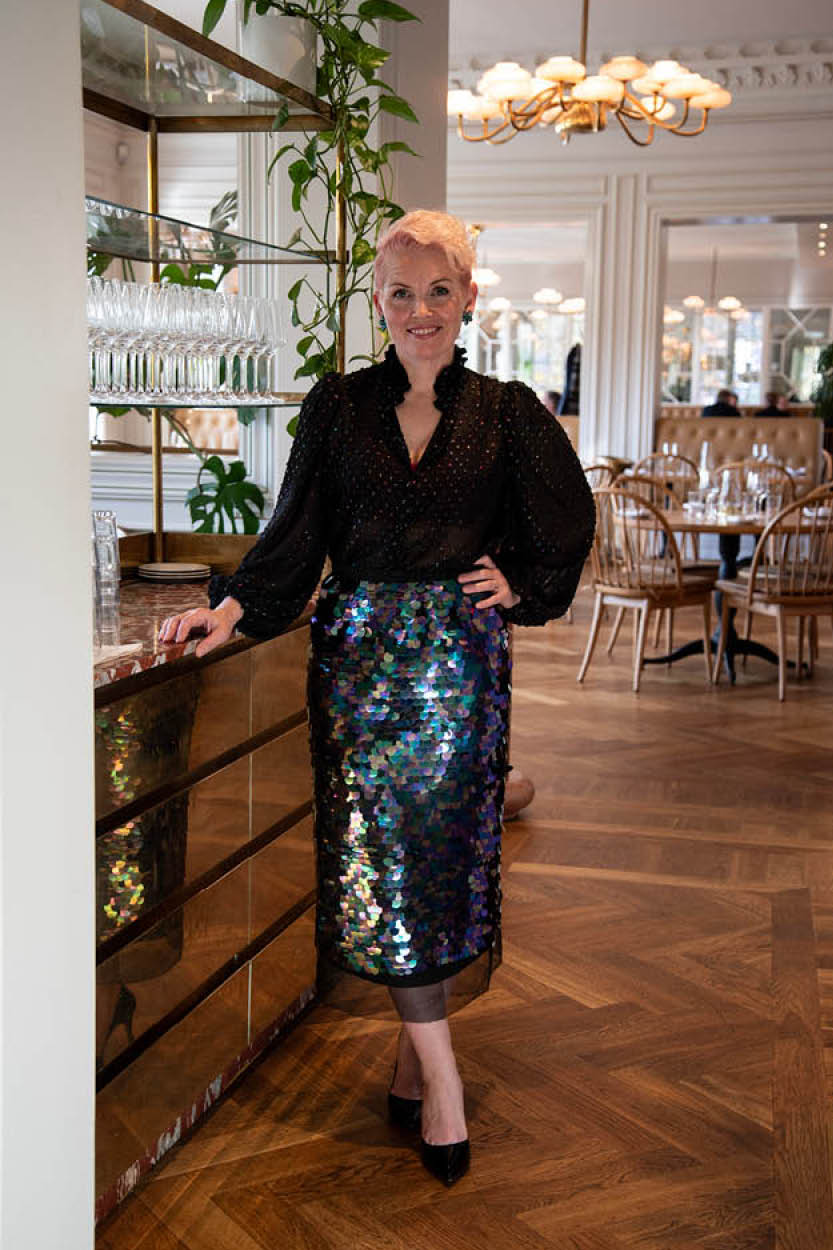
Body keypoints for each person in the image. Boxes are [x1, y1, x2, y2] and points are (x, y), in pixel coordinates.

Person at [156, 210, 595, 1187]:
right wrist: (227, 611)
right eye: (401, 292)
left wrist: (521, 582)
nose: (419, 309)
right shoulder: (338, 406)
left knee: (438, 865)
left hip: (459, 674)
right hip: (356, 669)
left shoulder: (508, 413)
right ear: (377, 302)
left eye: (438, 290)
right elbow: (293, 533)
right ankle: (441, 1077)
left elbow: (567, 519)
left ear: (467, 297)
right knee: (378, 865)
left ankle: (414, 1058)